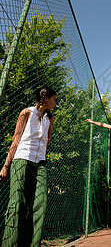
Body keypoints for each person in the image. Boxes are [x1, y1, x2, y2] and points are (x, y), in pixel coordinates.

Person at [0, 86, 57, 247]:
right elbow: (16, 140)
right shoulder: (26, 113)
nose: (55, 103)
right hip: (21, 159)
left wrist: (41, 158)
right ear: (45, 98)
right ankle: (10, 244)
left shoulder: (50, 119)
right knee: (17, 203)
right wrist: (6, 165)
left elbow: (46, 142)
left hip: (40, 164)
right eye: (54, 99)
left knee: (41, 204)